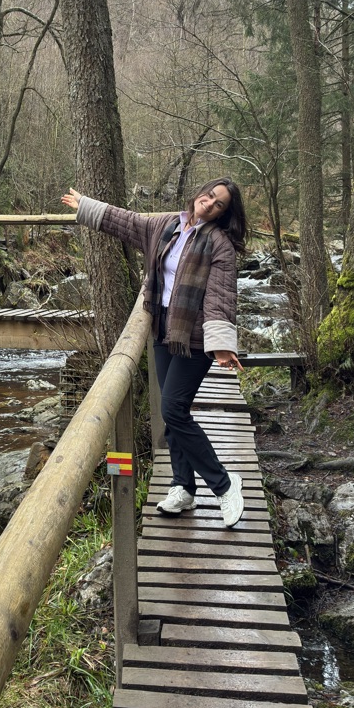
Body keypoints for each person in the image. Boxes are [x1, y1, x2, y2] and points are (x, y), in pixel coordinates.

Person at [61, 179, 247, 527]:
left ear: (224, 214)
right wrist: (86, 204)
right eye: (208, 195)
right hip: (163, 332)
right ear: (198, 193)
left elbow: (220, 298)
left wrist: (221, 345)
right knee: (172, 411)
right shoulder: (167, 224)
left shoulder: (219, 244)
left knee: (173, 410)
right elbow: (125, 221)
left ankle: (224, 484)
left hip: (194, 339)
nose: (209, 204)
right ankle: (183, 487)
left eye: (218, 204)